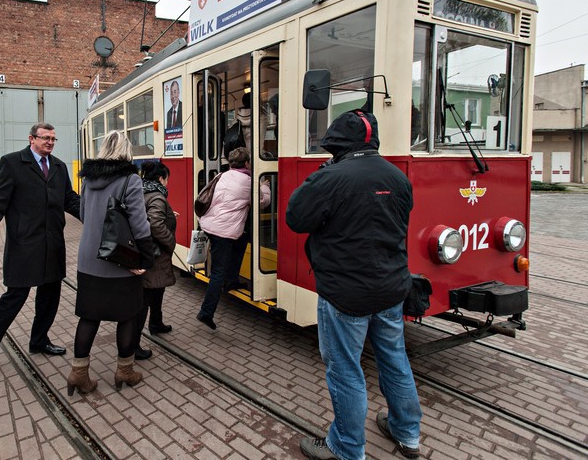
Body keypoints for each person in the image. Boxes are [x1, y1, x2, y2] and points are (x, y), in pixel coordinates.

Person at [286, 110, 421, 460]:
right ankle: (407, 434)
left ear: (336, 144)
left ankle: (346, 447)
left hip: (345, 293)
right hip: (392, 288)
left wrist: (318, 180)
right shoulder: (398, 177)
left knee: (346, 369)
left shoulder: (330, 178)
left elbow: (296, 218)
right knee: (394, 359)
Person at [0, 123, 80, 377]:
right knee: (14, 298)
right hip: (24, 244)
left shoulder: (59, 166)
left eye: (54, 139)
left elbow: (70, 200)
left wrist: (97, 217)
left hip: (53, 244)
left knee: (50, 297)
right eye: (46, 138)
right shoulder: (11, 163)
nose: (51, 143)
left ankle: (39, 340)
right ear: (31, 139)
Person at [67, 130, 155, 395]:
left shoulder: (88, 180)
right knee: (128, 316)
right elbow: (139, 225)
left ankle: (79, 373)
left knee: (89, 316)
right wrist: (146, 257)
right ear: (127, 152)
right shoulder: (130, 180)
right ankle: (124, 371)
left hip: (88, 259)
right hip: (119, 260)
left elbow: (83, 214)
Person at [196, 147, 271, 330]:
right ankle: (206, 312)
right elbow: (262, 202)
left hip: (210, 226)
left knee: (241, 241)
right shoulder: (249, 182)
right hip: (223, 231)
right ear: (247, 163)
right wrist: (265, 187)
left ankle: (231, 280)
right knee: (217, 273)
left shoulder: (221, 176)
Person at [134, 161, 178, 360]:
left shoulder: (141, 191)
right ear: (161, 179)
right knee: (144, 300)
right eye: (167, 178)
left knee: (156, 291)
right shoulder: (158, 196)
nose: (167, 182)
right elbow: (155, 224)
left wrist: (169, 214)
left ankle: (156, 323)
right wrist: (171, 241)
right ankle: (133, 344)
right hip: (155, 253)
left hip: (145, 251)